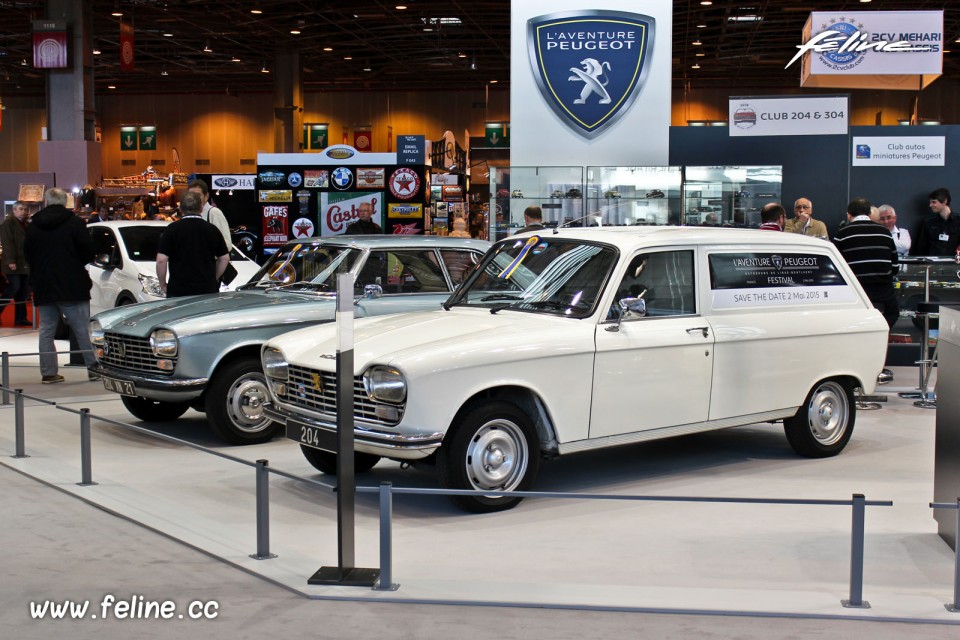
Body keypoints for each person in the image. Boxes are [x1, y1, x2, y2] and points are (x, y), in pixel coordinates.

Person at [23, 188, 98, 383]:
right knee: (82, 329)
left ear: (46, 202)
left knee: (46, 331)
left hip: (44, 284)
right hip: (72, 283)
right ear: (66, 203)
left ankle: (48, 372)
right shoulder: (75, 223)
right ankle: (93, 368)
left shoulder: (33, 225)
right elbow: (88, 252)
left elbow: (28, 255)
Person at [833, 197, 898, 382]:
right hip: (883, 292)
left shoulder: (842, 234)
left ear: (849, 215)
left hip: (856, 295)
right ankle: (877, 342)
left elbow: (836, 267)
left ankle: (855, 362)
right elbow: (895, 266)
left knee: (849, 323)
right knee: (893, 313)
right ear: (870, 214)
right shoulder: (884, 233)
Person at [156, 191, 228, 298]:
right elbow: (224, 258)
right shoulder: (212, 229)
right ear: (201, 208)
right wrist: (213, 278)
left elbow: (161, 260)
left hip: (178, 290)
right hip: (207, 290)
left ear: (180, 209)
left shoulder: (172, 229)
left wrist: (162, 284)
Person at [0, 201, 32, 326]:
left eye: (25, 209)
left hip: (24, 262)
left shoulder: (25, 224)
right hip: (14, 262)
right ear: (14, 210)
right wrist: (10, 261)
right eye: (20, 209)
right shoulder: (8, 224)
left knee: (23, 291)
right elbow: (7, 243)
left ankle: (20, 318)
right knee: (14, 287)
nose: (23, 211)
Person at [912, 187, 960, 256]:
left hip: (953, 264)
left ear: (944, 201)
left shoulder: (958, 221)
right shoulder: (928, 222)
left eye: (934, 202)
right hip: (933, 264)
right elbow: (921, 247)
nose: (930, 205)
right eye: (930, 202)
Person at [186, 179, 232, 249]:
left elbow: (227, 244)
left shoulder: (214, 213)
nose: (194, 198)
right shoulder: (188, 214)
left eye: (198, 195)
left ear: (206, 196)